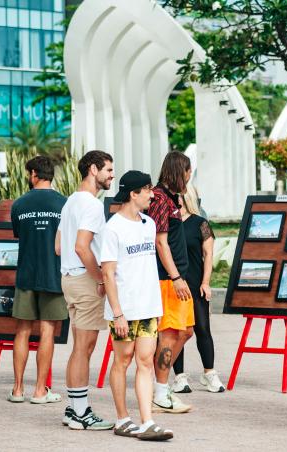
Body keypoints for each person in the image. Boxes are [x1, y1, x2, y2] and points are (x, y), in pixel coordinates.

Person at [100, 170, 173, 441]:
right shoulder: (112, 228)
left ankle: (147, 421)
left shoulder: (148, 223)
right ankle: (122, 419)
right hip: (123, 310)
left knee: (146, 362)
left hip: (148, 307)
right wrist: (117, 313)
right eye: (147, 190)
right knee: (123, 360)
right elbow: (107, 274)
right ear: (133, 193)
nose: (152, 195)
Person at [56, 150, 115, 429]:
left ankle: (72, 409)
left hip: (69, 278)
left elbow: (59, 247)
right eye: (108, 170)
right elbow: (81, 247)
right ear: (93, 169)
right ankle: (81, 412)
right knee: (85, 348)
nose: (111, 175)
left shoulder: (70, 202)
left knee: (79, 348)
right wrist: (100, 278)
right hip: (84, 279)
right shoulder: (91, 205)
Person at [7, 156, 67, 404]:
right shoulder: (64, 203)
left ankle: (18, 389)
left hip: (26, 275)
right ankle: (40, 390)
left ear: (33, 174)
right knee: (47, 332)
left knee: (21, 331)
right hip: (54, 275)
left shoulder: (19, 204)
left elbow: (19, 235)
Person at [148, 151, 194, 413]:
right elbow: (159, 242)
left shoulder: (172, 199)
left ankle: (160, 388)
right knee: (169, 335)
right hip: (167, 279)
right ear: (179, 170)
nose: (190, 176)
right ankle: (161, 392)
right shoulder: (159, 199)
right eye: (188, 171)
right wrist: (175, 277)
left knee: (185, 332)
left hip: (179, 277)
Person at [171, 189, 224, 394]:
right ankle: (179, 377)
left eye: (179, 196)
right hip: (174, 284)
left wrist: (206, 282)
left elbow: (208, 254)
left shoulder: (200, 223)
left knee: (202, 328)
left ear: (187, 198)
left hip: (195, 283)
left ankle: (209, 373)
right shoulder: (168, 223)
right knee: (178, 331)